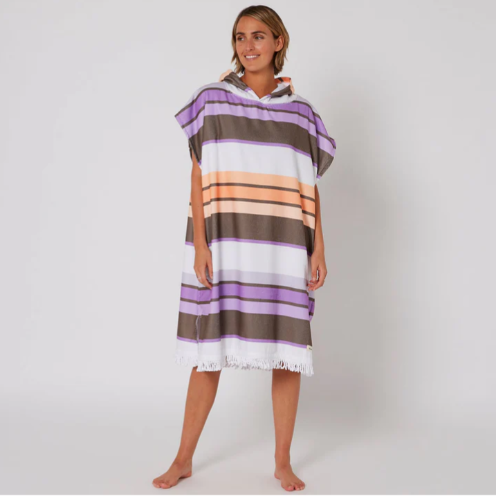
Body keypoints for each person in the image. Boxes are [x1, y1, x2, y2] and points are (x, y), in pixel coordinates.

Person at [153, 5, 336, 492]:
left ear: (279, 41)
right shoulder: (211, 100)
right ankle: (183, 459)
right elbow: (198, 174)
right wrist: (200, 243)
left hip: (283, 246)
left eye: (258, 36)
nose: (248, 45)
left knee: (286, 352)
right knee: (208, 352)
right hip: (227, 243)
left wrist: (318, 247)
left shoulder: (301, 112)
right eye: (240, 37)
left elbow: (310, 185)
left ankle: (282, 462)